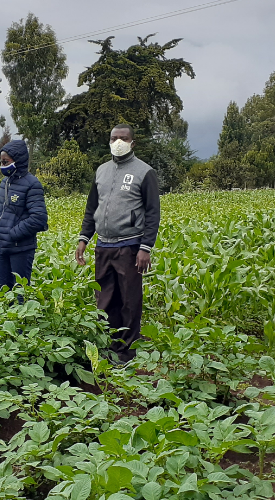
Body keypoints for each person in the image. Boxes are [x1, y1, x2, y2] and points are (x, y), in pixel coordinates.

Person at [75, 124, 161, 364]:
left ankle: (127, 352)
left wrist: (146, 247)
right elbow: (92, 208)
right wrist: (84, 238)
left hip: (130, 246)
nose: (118, 142)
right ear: (109, 141)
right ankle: (109, 346)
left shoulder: (144, 172)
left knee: (129, 300)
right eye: (114, 138)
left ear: (133, 142)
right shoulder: (101, 171)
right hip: (103, 245)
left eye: (123, 138)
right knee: (105, 299)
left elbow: (153, 213)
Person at [0, 139, 48, 292]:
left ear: (18, 160)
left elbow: (39, 218)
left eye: (6, 162)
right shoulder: (5, 182)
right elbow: (2, 208)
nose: (2, 165)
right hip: (0, 247)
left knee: (20, 293)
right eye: (1, 162)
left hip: (20, 249)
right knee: (4, 292)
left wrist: (12, 234)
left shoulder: (32, 184)